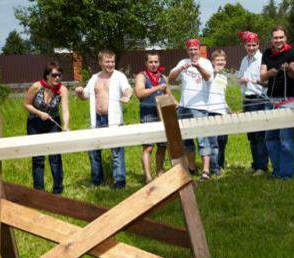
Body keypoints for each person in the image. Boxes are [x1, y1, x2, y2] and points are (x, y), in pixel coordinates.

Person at [75, 50, 133, 189]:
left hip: (113, 119)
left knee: (116, 151)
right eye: (107, 61)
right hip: (97, 120)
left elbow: (128, 89)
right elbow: (85, 96)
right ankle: (97, 181)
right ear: (100, 62)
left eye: (112, 61)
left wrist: (127, 96)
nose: (110, 64)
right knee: (94, 150)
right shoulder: (94, 78)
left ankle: (119, 182)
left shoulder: (119, 76)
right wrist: (80, 93)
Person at [169, 38, 214, 180]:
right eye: (190, 49)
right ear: (187, 50)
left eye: (195, 49)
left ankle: (206, 171)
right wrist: (180, 69)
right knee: (187, 139)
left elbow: (208, 78)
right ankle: (192, 167)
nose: (193, 52)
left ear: (199, 49)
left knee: (202, 139)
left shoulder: (206, 62)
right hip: (183, 106)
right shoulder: (183, 62)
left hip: (200, 108)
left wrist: (198, 67)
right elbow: (170, 78)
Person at [24, 62, 70, 194]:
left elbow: (65, 110)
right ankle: (39, 192)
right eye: (54, 75)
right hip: (34, 123)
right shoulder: (36, 87)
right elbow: (26, 104)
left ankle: (58, 190)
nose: (57, 78)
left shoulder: (63, 90)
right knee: (38, 158)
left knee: (55, 157)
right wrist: (39, 113)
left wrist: (66, 126)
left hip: (53, 123)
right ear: (47, 75)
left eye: (59, 75)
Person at [260, 25, 294, 179]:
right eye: (275, 38)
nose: (278, 40)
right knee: (270, 138)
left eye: (281, 37)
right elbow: (262, 76)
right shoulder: (267, 54)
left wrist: (289, 68)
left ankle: (286, 174)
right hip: (270, 100)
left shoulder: (291, 52)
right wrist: (271, 72)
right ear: (271, 40)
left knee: (286, 138)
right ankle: (276, 172)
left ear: (285, 38)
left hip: (287, 100)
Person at [134, 52, 174, 183]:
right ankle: (148, 177)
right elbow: (139, 93)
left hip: (162, 112)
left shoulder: (163, 77)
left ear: (159, 63)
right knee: (148, 147)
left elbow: (169, 95)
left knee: (162, 145)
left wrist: (177, 104)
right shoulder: (141, 76)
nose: (153, 64)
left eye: (156, 62)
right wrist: (156, 87)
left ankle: (159, 172)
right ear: (146, 63)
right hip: (147, 112)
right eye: (151, 62)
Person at [238, 31, 269, 176]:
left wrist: (249, 81)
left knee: (260, 134)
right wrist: (242, 82)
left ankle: (262, 167)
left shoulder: (263, 59)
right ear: (245, 46)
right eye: (248, 45)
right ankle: (255, 163)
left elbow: (267, 82)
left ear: (258, 44)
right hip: (247, 100)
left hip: (259, 99)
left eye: (253, 45)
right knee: (251, 134)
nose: (251, 47)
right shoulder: (244, 60)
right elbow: (240, 77)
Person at [207, 50, 230, 176]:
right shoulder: (209, 75)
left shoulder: (224, 77)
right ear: (212, 62)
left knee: (222, 141)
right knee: (213, 143)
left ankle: (220, 164)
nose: (220, 62)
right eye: (218, 60)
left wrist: (228, 110)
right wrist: (213, 71)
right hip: (211, 112)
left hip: (223, 113)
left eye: (222, 60)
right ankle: (214, 169)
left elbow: (222, 96)